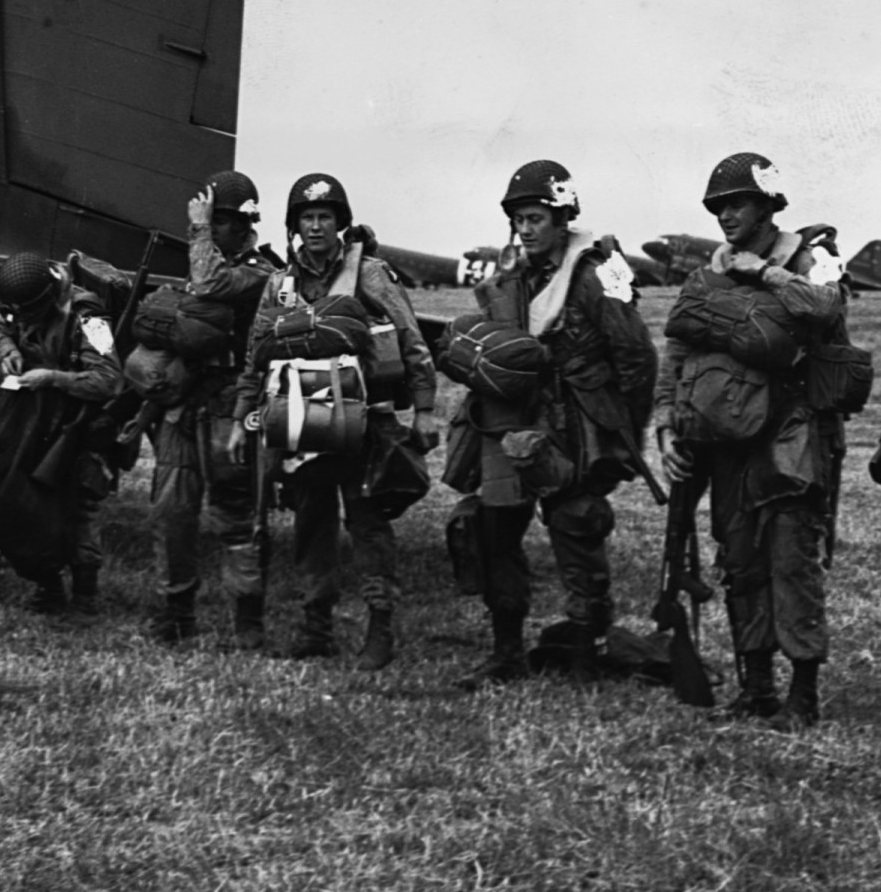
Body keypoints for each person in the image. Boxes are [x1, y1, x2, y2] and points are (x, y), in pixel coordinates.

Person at [655, 153, 846, 727]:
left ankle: (803, 692)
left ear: (768, 206)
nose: (724, 215)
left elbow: (827, 307)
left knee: (791, 560)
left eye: (736, 203)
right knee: (739, 560)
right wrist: (665, 423)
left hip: (793, 433)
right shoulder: (705, 275)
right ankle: (756, 684)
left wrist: (764, 274)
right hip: (725, 438)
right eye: (718, 207)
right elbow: (679, 351)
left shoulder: (812, 259)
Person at [452, 160, 656, 688]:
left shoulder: (595, 275)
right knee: (494, 532)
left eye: (536, 217)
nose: (525, 228)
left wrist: (620, 436)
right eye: (519, 218)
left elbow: (636, 358)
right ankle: (505, 653)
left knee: (578, 530)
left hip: (576, 430)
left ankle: (588, 655)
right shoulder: (510, 279)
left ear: (562, 218)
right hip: (512, 423)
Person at [228, 173, 438, 670]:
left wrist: (425, 408)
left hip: (366, 422)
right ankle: (315, 627)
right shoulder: (280, 286)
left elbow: (410, 340)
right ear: (295, 225)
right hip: (303, 423)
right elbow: (256, 355)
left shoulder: (370, 274)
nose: (316, 226)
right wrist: (242, 417)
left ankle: (379, 625)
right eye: (308, 217)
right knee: (311, 524)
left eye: (325, 217)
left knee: (368, 525)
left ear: (340, 224)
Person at [147, 171, 280, 645]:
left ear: (244, 225)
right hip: (186, 404)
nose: (212, 229)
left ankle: (247, 620)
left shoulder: (261, 272)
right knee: (171, 510)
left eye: (221, 221)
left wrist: (198, 230)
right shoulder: (204, 261)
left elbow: (208, 284)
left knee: (235, 514)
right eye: (210, 221)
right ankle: (176, 612)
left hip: (231, 404)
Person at [0, 252, 123, 613]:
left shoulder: (89, 317)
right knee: (15, 500)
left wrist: (54, 378)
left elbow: (109, 379)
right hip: (32, 422)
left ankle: (86, 595)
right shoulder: (19, 299)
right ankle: (47, 585)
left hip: (78, 426)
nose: (21, 320)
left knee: (79, 509)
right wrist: (6, 349)